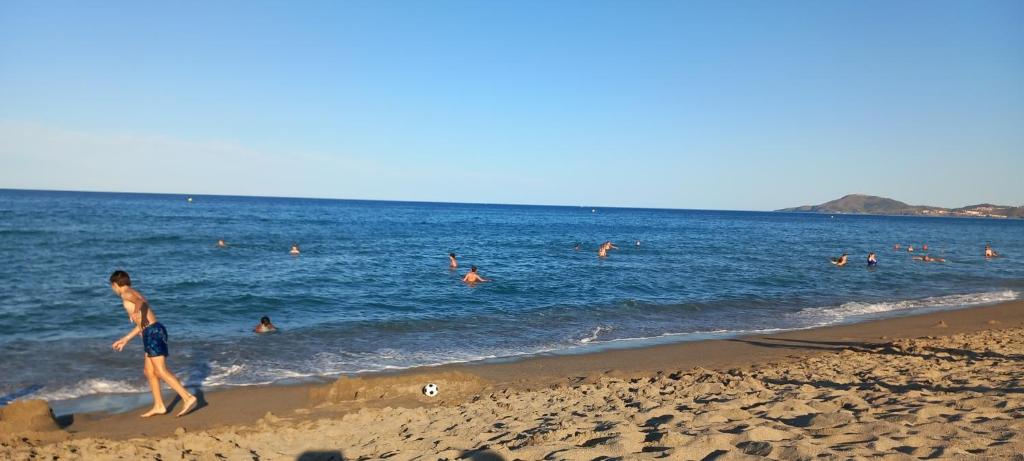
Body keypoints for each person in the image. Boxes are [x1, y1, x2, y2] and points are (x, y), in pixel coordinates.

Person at [108, 270, 198, 418]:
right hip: (153, 331)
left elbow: (140, 303)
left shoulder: (126, 294)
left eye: (112, 286)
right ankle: (159, 406)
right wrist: (125, 339)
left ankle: (188, 397)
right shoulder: (134, 291)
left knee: (161, 370)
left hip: (153, 333)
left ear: (114, 285)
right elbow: (142, 320)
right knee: (149, 372)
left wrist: (134, 312)